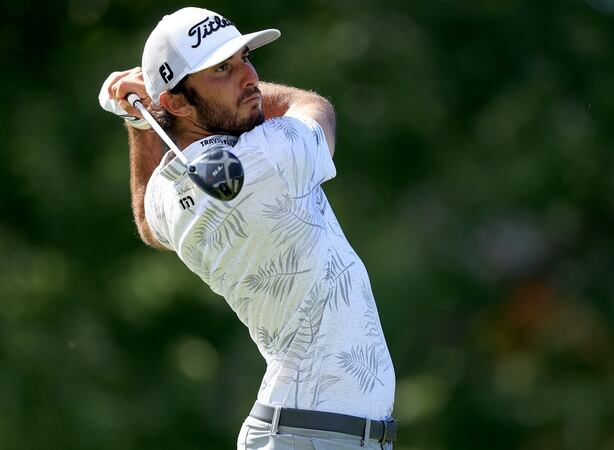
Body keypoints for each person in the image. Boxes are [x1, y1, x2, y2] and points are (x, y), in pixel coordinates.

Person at [98, 7, 396, 449]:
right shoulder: (268, 157)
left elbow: (146, 220)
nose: (250, 78)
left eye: (245, 59)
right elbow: (314, 108)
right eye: (222, 69)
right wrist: (148, 108)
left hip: (306, 431)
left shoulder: (170, 191)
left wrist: (140, 121)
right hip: (310, 434)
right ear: (177, 102)